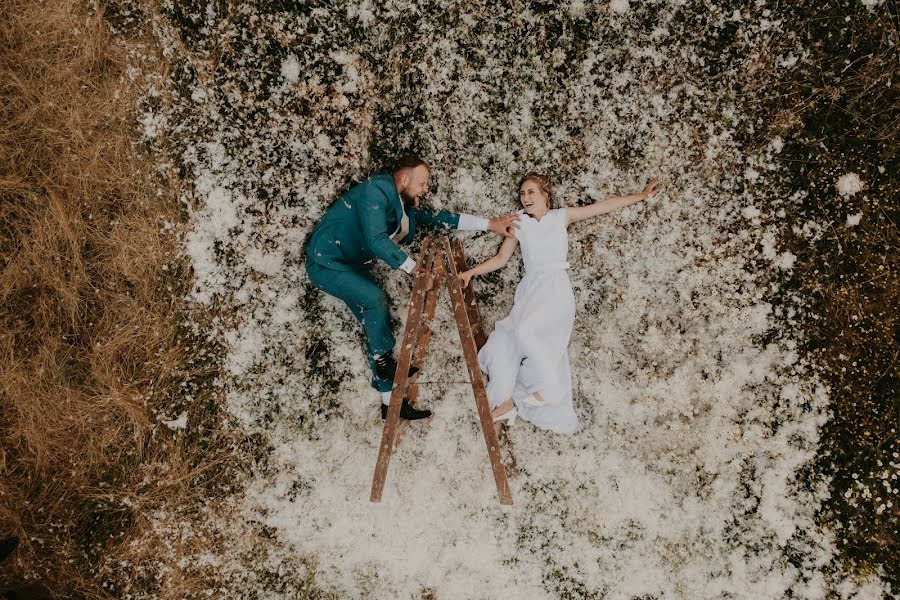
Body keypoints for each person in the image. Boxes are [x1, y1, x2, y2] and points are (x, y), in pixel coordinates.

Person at [305, 154, 520, 421]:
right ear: (404, 179)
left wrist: (489, 224)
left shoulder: (405, 209)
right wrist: (415, 268)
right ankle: (385, 366)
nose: (425, 188)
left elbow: (443, 218)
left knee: (373, 322)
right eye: (422, 182)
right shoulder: (377, 190)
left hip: (351, 266)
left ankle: (389, 405)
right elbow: (375, 239)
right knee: (375, 300)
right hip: (326, 261)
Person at [458, 173, 661, 433]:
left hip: (555, 288)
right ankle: (505, 402)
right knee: (506, 342)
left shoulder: (561, 217)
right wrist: (470, 273)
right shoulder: (519, 223)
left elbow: (604, 206)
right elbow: (501, 258)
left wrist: (641, 196)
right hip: (531, 290)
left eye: (531, 192)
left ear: (545, 196)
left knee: (525, 332)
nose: (526, 198)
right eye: (522, 193)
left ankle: (550, 387)